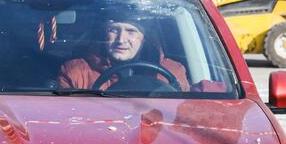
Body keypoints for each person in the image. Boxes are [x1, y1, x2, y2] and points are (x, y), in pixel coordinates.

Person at [56, 13, 189, 91]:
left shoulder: (172, 72)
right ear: (104, 34)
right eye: (114, 30)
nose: (121, 40)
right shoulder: (75, 72)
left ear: (144, 38)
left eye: (131, 31)